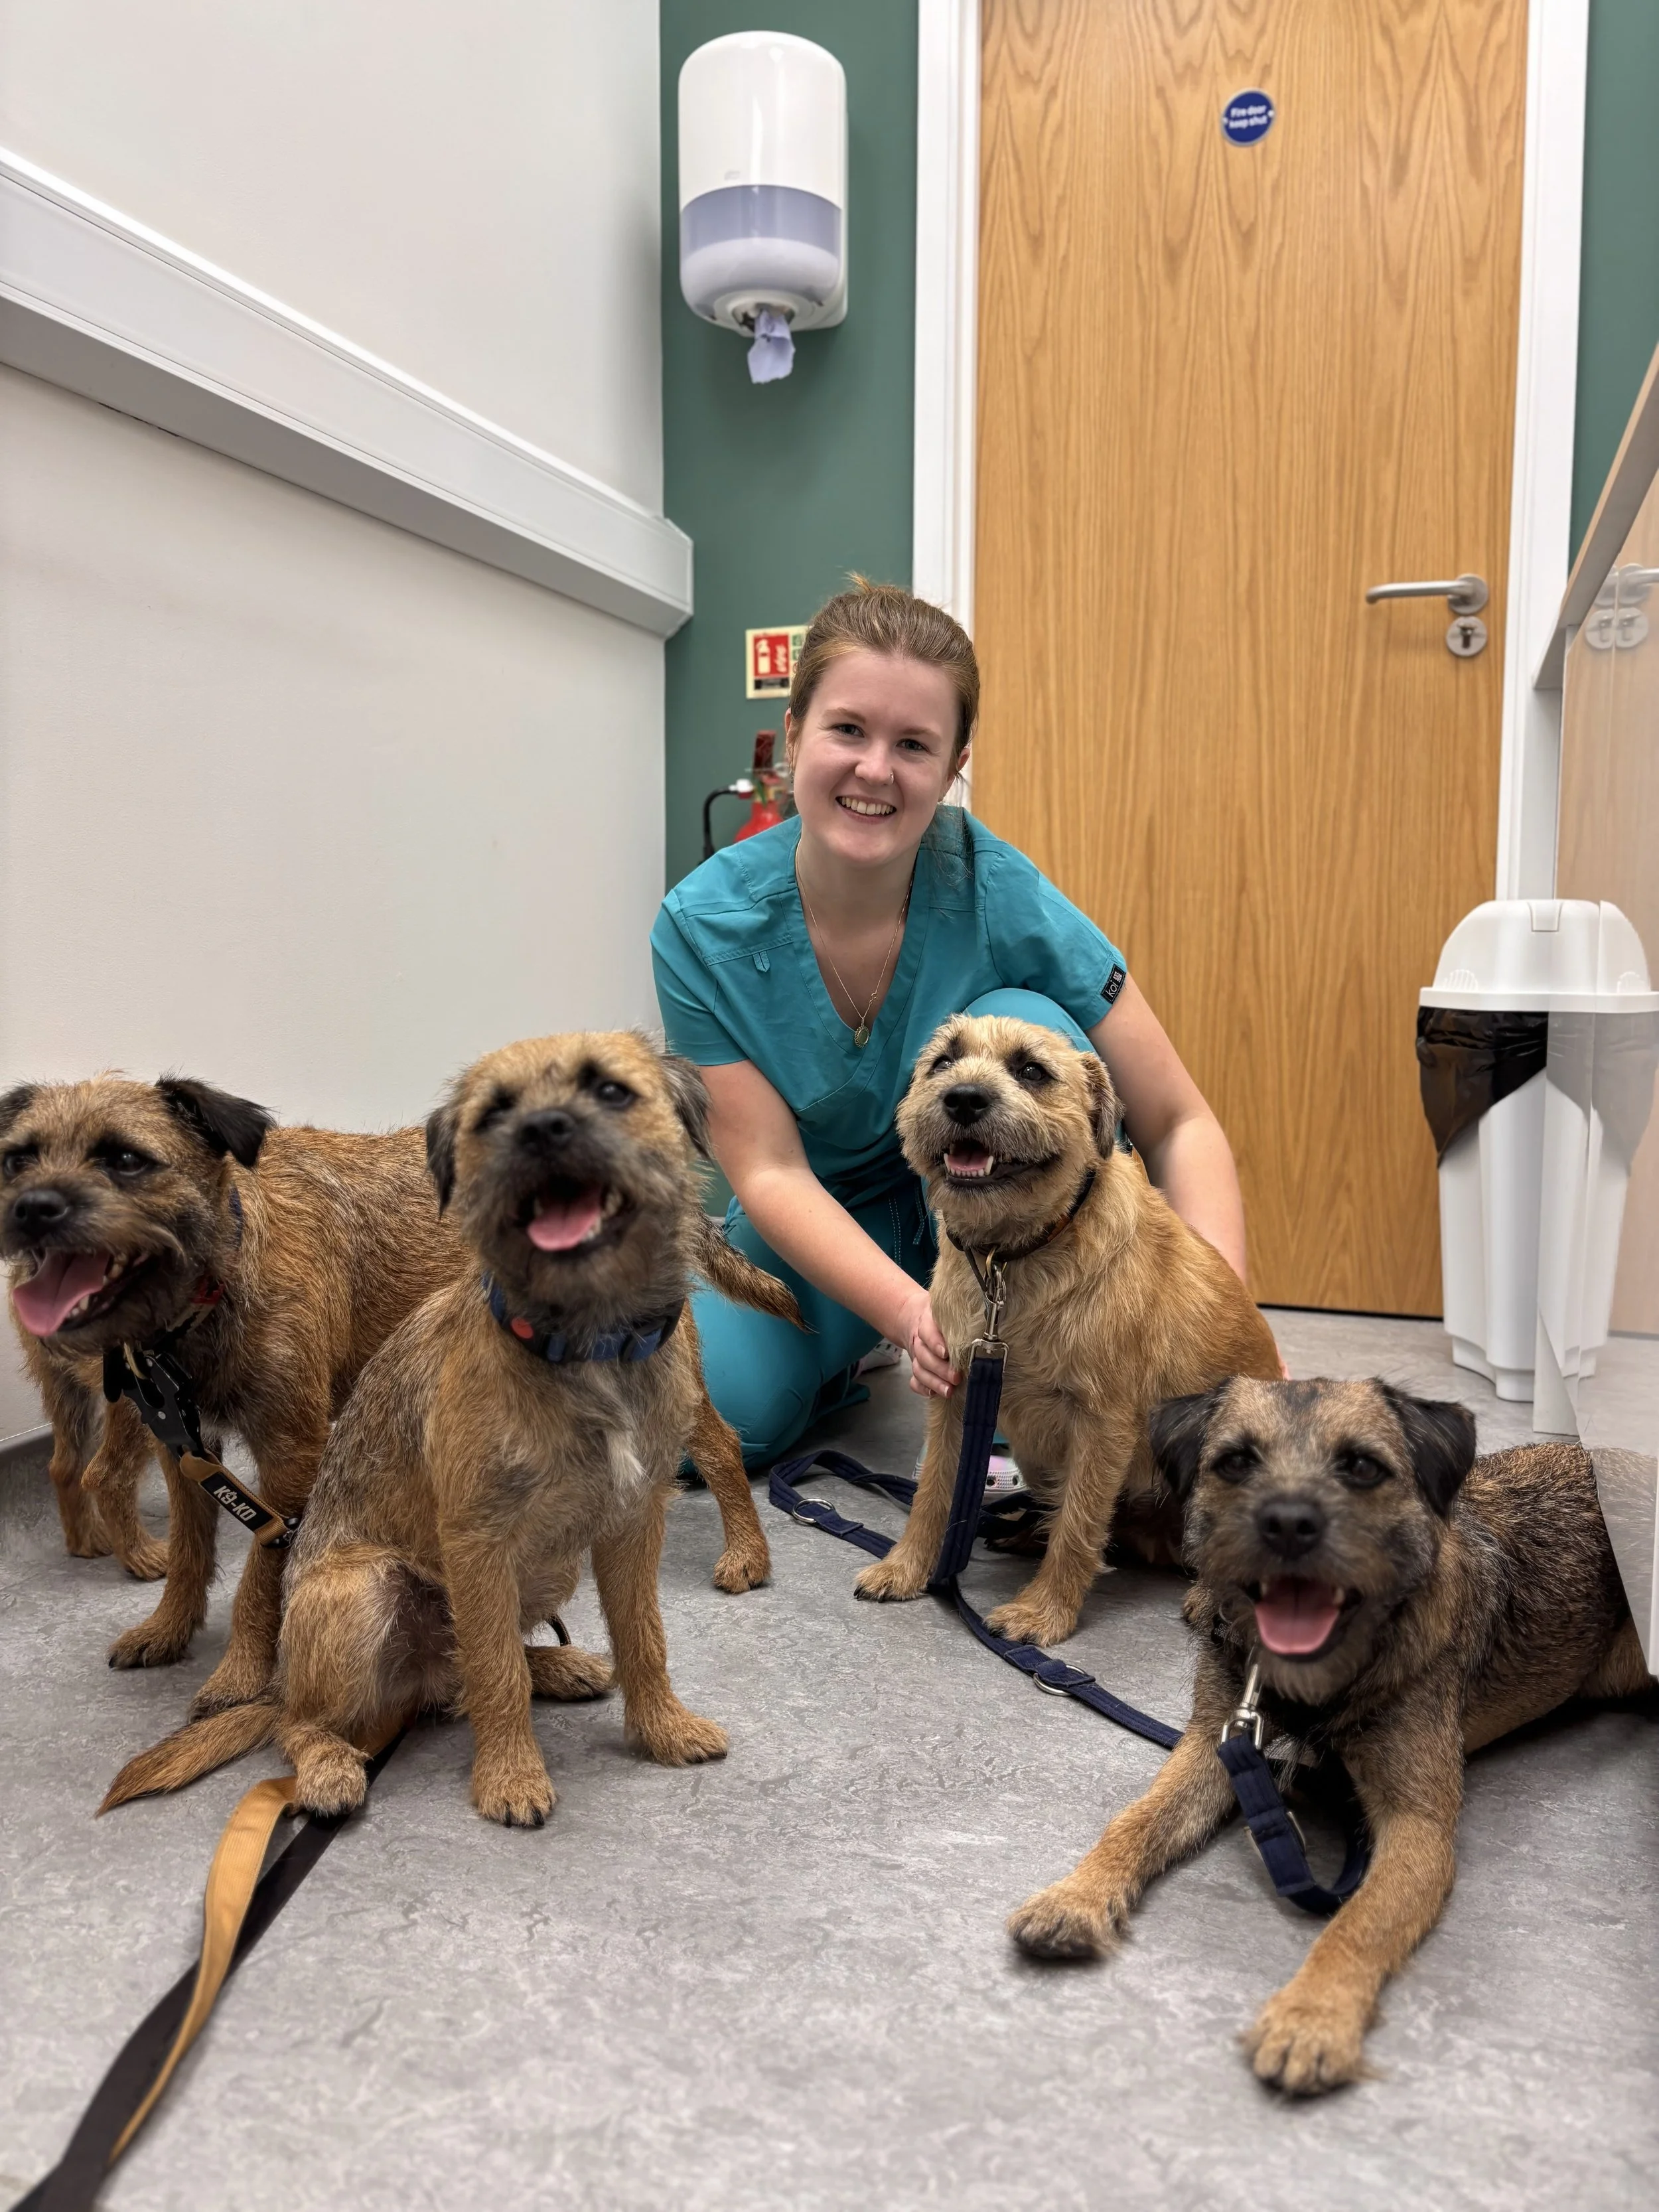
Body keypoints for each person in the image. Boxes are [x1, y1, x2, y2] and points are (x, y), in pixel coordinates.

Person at [651, 580, 1254, 1465]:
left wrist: (1220, 1348)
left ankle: (1006, 1331)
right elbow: (771, 1172)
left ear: (953, 764)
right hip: (828, 1208)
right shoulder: (700, 928)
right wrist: (913, 1313)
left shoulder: (1000, 890)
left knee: (1018, 1027)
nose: (875, 770)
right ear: (793, 735)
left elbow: (1180, 1120)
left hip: (1005, 1202)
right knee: (714, 1422)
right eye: (848, 729)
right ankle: (855, 1345)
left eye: (914, 745)